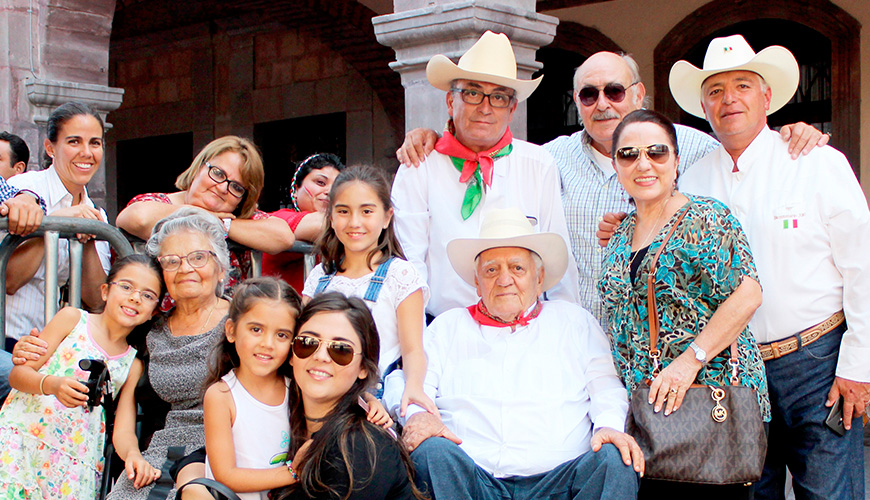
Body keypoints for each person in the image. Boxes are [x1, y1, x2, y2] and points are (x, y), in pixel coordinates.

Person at [397, 51, 827, 325]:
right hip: (579, 340)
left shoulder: (692, 148)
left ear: (638, 94)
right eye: (589, 94)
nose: (602, 103)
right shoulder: (551, 159)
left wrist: (791, 134)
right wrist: (430, 139)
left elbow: (744, 155)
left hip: (666, 345)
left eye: (615, 91)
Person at [665, 34, 870, 500]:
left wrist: (859, 364)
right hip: (734, 370)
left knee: (831, 495)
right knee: (750, 494)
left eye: (742, 85)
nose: (729, 99)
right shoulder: (692, 183)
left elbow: (862, 268)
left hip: (817, 364)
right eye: (715, 90)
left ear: (767, 96)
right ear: (703, 106)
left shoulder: (816, 162)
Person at [384, 208, 641, 500]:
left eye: (517, 268)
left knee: (615, 459)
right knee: (431, 453)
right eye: (491, 270)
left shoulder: (575, 322)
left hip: (561, 480)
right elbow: (405, 382)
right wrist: (417, 416)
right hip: (472, 481)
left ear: (539, 278)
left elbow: (605, 387)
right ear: (477, 281)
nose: (504, 279)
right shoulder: (447, 327)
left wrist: (608, 426)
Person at [597, 109, 769, 498]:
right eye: (628, 154)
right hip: (646, 415)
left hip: (708, 406)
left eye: (656, 152)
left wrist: (690, 362)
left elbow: (748, 293)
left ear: (675, 161)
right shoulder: (621, 232)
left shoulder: (706, 217)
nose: (643, 164)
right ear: (616, 165)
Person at [391, 30, 580, 320]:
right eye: (472, 93)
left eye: (499, 97)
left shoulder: (538, 164)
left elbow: (557, 259)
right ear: (450, 101)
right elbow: (408, 263)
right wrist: (420, 335)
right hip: (441, 326)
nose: (485, 108)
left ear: (512, 109)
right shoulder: (419, 165)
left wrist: (565, 326)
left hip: (525, 329)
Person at [0, 254, 164, 498]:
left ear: (153, 311)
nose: (135, 297)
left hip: (73, 465)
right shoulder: (72, 319)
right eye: (126, 286)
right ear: (105, 291)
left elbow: (123, 429)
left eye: (148, 295)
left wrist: (133, 455)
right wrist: (51, 385)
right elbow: (18, 375)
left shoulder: (133, 363)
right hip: (22, 442)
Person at [105, 208, 233, 500]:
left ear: (221, 269)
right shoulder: (149, 332)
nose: (185, 268)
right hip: (160, 457)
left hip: (227, 451)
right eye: (172, 261)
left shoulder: (242, 322)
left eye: (198, 257)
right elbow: (102, 339)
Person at [302, 166, 435, 414]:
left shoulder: (400, 275)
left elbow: (413, 349)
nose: (355, 222)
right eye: (343, 211)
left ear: (386, 217)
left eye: (366, 211)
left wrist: (414, 388)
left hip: (375, 402)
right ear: (331, 218)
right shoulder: (319, 277)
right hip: (322, 394)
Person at [270, 292, 425, 500]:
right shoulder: (276, 416)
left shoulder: (361, 447)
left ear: (363, 368)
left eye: (341, 349)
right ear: (291, 354)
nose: (321, 356)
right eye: (307, 342)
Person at [116, 135, 295, 296]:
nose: (223, 188)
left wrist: (224, 224)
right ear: (199, 167)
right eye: (218, 173)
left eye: (236, 187)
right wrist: (207, 216)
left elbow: (283, 237)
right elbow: (138, 218)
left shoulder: (237, 217)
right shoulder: (157, 202)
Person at [5, 101, 112, 349]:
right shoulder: (23, 188)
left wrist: (88, 236)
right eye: (74, 141)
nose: (86, 152)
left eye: (95, 143)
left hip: (48, 345)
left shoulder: (96, 213)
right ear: (50, 148)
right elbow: (10, 281)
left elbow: (96, 300)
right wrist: (57, 222)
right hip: (7, 340)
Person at [201, 277, 303, 500]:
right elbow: (226, 475)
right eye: (256, 329)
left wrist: (369, 401)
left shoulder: (296, 388)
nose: (268, 344)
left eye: (282, 335)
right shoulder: (221, 396)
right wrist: (294, 472)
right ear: (231, 331)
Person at [263, 153, 346, 291]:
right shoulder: (277, 219)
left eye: (337, 188)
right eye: (320, 183)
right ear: (296, 189)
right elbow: (320, 225)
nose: (329, 192)